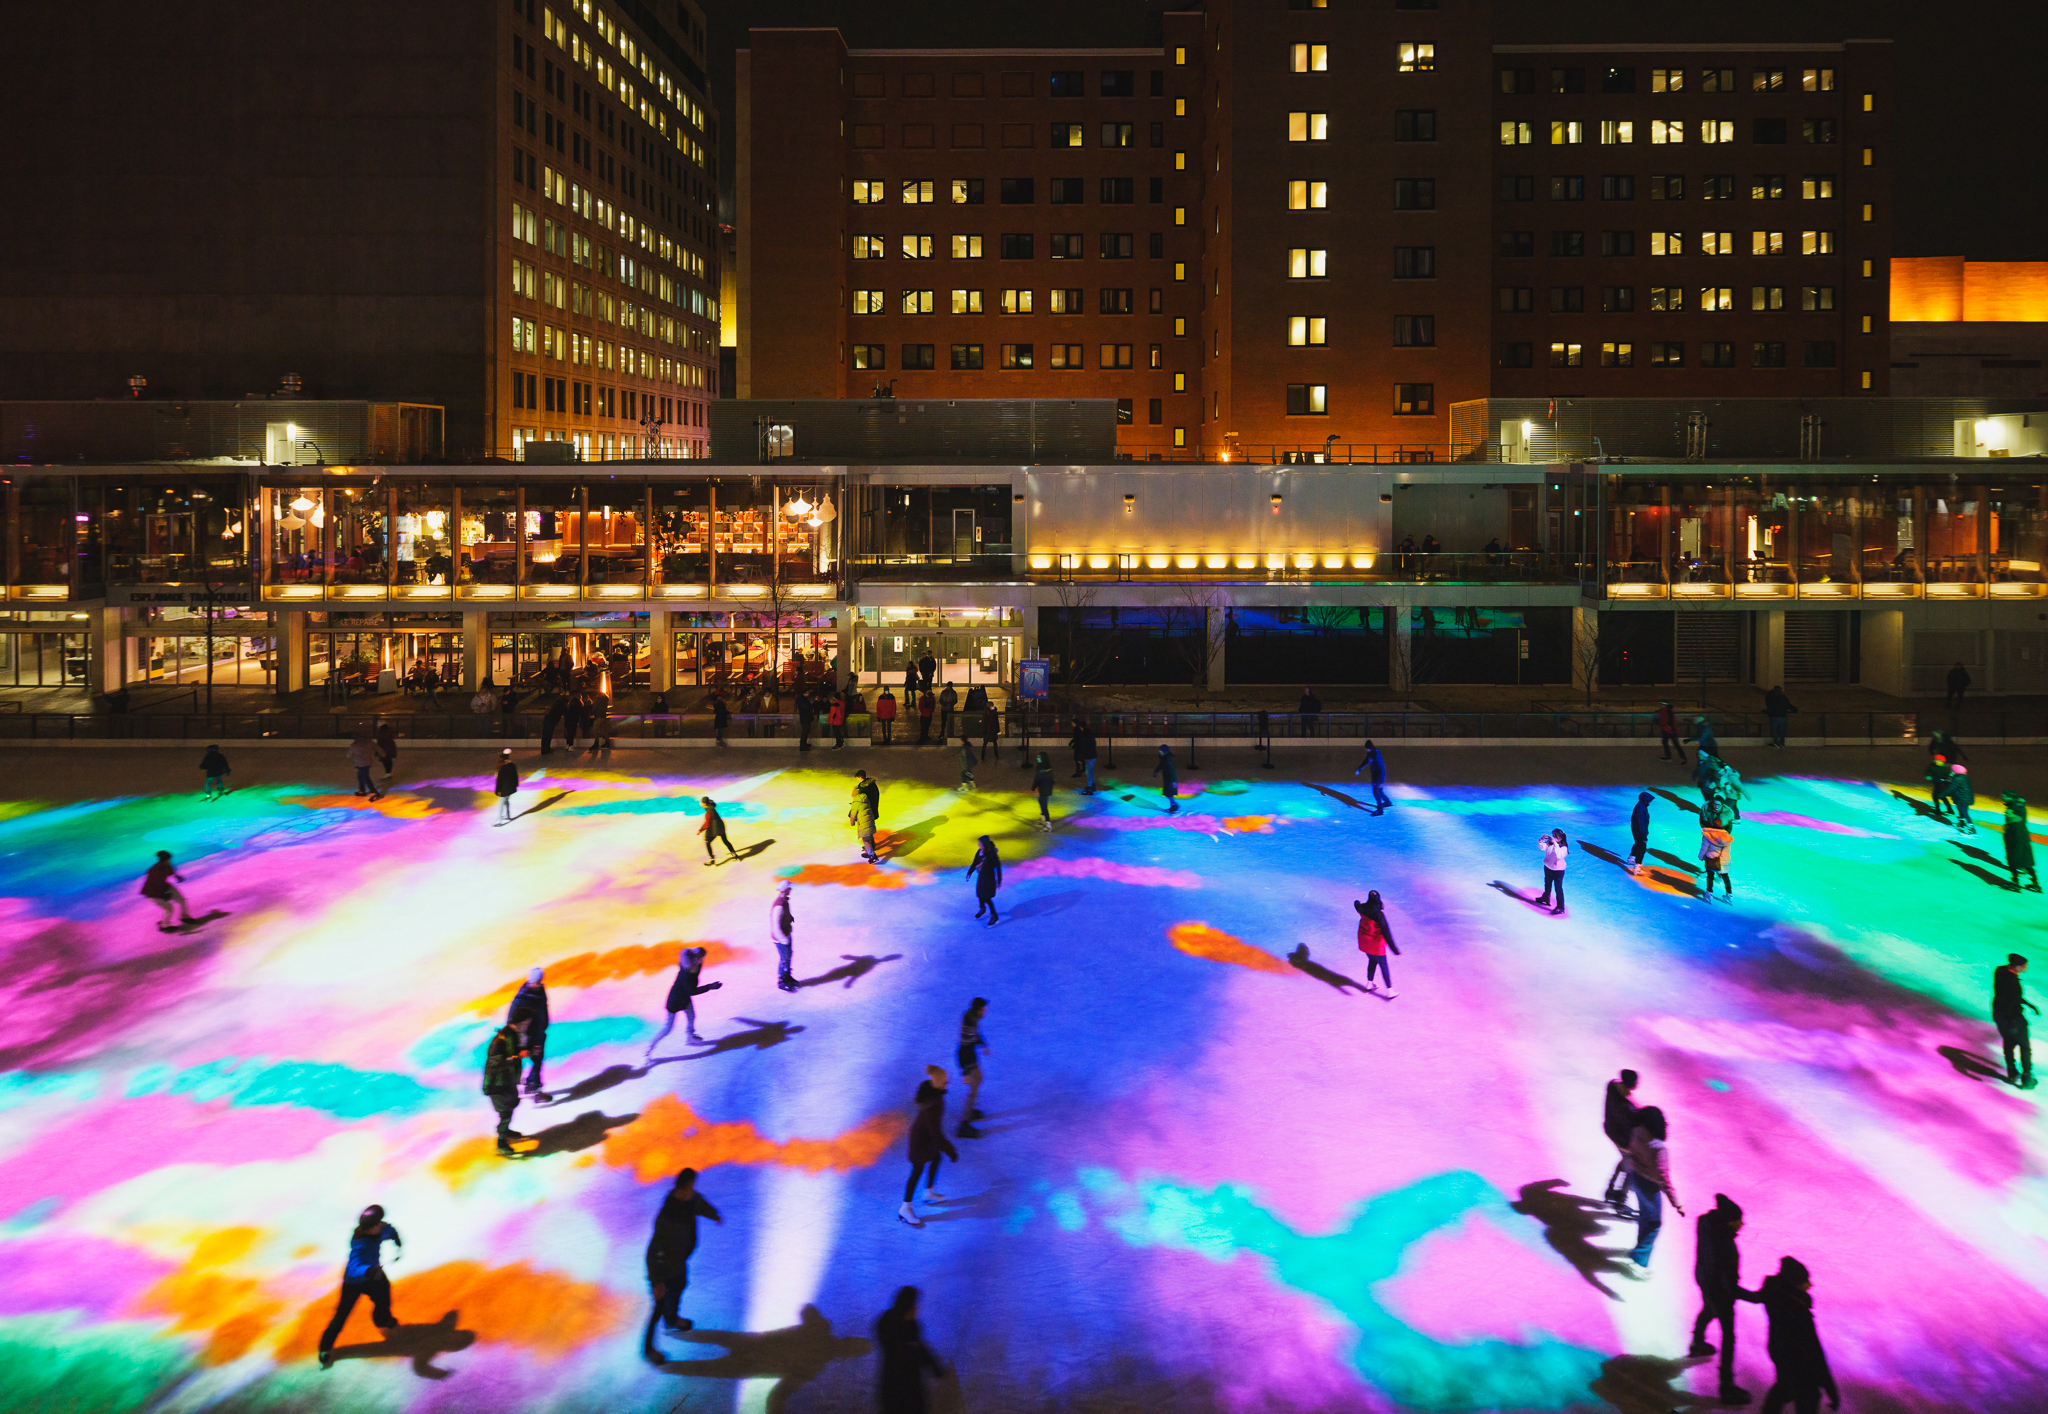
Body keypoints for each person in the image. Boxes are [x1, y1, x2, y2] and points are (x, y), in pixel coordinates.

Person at [641, 1168, 724, 1364]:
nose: (693, 1191)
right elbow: (652, 1250)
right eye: (691, 1187)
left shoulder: (690, 1199)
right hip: (663, 1266)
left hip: (679, 1261)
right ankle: (648, 1348)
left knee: (679, 1286)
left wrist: (714, 1215)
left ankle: (672, 1319)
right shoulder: (667, 1216)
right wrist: (656, 1281)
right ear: (683, 1188)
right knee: (659, 1306)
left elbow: (701, 1204)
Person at [1689, 1193, 1761, 1405]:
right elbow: (1729, 1285)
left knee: (1708, 1308)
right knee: (1729, 1336)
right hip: (1720, 1292)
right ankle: (1726, 1386)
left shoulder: (1706, 1225)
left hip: (1704, 1279)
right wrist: (1755, 1297)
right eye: (1739, 1220)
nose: (1742, 1224)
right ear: (1729, 1221)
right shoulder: (1726, 1247)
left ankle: (1696, 1342)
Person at [315, 1205, 403, 1368]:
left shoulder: (381, 1229)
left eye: (376, 1225)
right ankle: (325, 1347)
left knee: (384, 1295)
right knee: (342, 1315)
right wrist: (368, 1270)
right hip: (354, 1282)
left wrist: (397, 1241)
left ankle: (382, 1319)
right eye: (370, 1228)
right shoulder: (359, 1242)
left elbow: (389, 1230)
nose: (377, 1228)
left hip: (374, 1275)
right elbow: (355, 1267)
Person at [1757, 1257, 1839, 1414]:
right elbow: (1816, 1353)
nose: (1810, 1285)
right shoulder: (1799, 1312)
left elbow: (1756, 1297)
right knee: (1807, 1395)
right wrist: (1831, 1390)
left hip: (1777, 1350)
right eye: (1804, 1281)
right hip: (1798, 1361)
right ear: (1794, 1284)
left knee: (1785, 1385)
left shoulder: (1775, 1295)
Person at [1620, 1105, 1680, 1275]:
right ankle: (1638, 1261)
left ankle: (1638, 1254)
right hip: (1650, 1186)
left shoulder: (1637, 1131)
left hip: (1636, 1178)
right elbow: (1664, 1177)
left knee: (1645, 1218)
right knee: (1654, 1223)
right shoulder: (1659, 1147)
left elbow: (1630, 1151)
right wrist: (1677, 1202)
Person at [899, 1065, 958, 1226]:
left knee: (936, 1157)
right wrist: (950, 1150)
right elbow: (936, 1133)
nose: (947, 1084)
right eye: (945, 1082)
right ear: (938, 1083)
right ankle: (905, 1207)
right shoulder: (932, 1104)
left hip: (925, 1138)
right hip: (920, 1142)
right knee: (916, 1172)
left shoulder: (933, 1093)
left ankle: (929, 1192)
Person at [876, 1286, 948, 1414]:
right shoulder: (895, 1324)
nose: (917, 1309)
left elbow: (919, 1349)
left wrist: (936, 1368)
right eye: (915, 1304)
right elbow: (911, 1350)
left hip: (903, 1385)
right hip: (900, 1386)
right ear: (908, 1306)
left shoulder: (908, 1324)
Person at [646, 946, 724, 1054]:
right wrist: (710, 986)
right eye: (699, 958)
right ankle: (650, 1047)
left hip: (685, 998)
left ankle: (690, 1037)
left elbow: (697, 958)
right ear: (693, 960)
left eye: (702, 958)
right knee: (668, 1028)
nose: (701, 960)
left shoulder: (696, 964)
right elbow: (692, 991)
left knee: (692, 1016)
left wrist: (700, 954)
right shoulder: (686, 974)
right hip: (675, 1000)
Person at [1994, 953, 2038, 1089]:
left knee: (2009, 1042)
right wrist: (2012, 1023)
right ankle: (2026, 1078)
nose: (2026, 967)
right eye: (2024, 965)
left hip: (1999, 1013)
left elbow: (2010, 996)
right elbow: (2012, 999)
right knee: (2024, 1046)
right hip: (2012, 1017)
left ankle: (2012, 1073)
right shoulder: (2012, 982)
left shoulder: (2001, 970)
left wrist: (2030, 1005)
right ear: (2017, 966)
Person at [484, 1020, 526, 1157]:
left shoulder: (512, 1035)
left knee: (510, 1106)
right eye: (526, 1022)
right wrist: (516, 1058)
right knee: (506, 1111)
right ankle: (501, 1144)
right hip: (498, 1084)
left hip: (507, 1081)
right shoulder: (500, 1040)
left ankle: (505, 1131)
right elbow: (494, 1063)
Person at [508, 967, 550, 1098]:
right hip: (523, 1035)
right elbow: (511, 1020)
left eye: (536, 982)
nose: (533, 984)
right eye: (531, 981)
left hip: (537, 1033)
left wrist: (543, 1027)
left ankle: (533, 1087)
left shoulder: (541, 992)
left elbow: (543, 1011)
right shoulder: (521, 998)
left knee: (537, 1059)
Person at [1353, 891, 1400, 998]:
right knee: (1383, 965)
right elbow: (1386, 933)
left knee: (1372, 960)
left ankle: (1369, 983)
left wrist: (1357, 902)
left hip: (1365, 942)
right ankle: (1389, 990)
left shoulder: (1361, 908)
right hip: (1376, 944)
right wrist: (1395, 950)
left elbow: (1356, 904)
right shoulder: (1379, 914)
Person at [957, 997, 989, 1137]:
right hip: (967, 1060)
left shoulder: (972, 1020)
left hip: (970, 1057)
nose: (985, 1011)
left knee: (979, 1079)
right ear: (978, 1011)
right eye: (983, 1009)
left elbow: (975, 1036)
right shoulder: (969, 1025)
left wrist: (983, 1044)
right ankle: (964, 1125)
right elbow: (963, 1049)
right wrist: (965, 1072)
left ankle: (969, 1112)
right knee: (973, 1089)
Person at [140, 849, 193, 931]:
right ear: (164, 860)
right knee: (169, 908)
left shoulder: (167, 865)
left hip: (165, 887)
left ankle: (184, 916)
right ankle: (164, 926)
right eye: (168, 859)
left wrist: (177, 876)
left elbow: (171, 870)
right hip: (153, 894)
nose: (170, 861)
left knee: (181, 900)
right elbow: (153, 886)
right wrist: (162, 895)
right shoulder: (154, 871)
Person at [2004, 794, 2040, 892]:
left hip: (2015, 839)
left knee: (2013, 860)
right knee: (2026, 861)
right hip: (2023, 837)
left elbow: (2011, 824)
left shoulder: (2012, 808)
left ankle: (2015, 883)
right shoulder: (2020, 806)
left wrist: (2008, 834)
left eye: (2005, 797)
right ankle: (2035, 884)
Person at [1602, 1070, 1640, 1151]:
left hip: (1610, 1128)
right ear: (1631, 1082)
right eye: (1636, 1081)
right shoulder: (1625, 1106)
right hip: (1618, 1133)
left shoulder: (1613, 1086)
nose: (1637, 1083)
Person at [967, 834, 1001, 924]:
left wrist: (999, 880)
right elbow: (975, 862)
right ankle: (982, 908)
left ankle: (994, 915)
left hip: (989, 879)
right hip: (981, 877)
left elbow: (997, 866)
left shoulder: (991, 854)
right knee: (979, 894)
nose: (978, 845)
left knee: (986, 897)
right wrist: (969, 872)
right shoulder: (979, 852)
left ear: (984, 844)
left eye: (980, 843)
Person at [770, 880, 797, 992]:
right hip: (781, 939)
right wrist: (783, 939)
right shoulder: (779, 906)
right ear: (785, 890)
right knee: (784, 959)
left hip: (786, 934)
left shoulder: (785, 901)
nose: (791, 889)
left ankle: (787, 976)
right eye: (790, 888)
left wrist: (789, 917)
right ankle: (781, 981)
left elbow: (786, 912)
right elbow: (775, 926)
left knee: (788, 956)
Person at [698, 797, 741, 865]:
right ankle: (734, 854)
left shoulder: (708, 813)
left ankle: (712, 859)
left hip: (715, 829)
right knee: (725, 841)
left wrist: (700, 830)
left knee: (707, 842)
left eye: (701, 802)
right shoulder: (711, 806)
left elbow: (707, 824)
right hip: (721, 826)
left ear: (705, 804)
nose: (700, 803)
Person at [1700, 815, 1735, 898]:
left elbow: (1704, 847)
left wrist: (1701, 856)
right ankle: (1729, 894)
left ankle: (1709, 893)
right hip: (1725, 860)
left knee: (1710, 875)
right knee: (1725, 876)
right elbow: (1727, 850)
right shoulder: (1727, 836)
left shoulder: (1709, 835)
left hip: (1712, 858)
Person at [850, 773, 880, 863]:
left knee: (865, 839)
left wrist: (852, 822)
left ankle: (872, 854)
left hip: (863, 822)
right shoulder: (866, 799)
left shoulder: (857, 802)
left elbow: (853, 814)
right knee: (868, 834)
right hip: (869, 818)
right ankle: (868, 851)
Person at [1353, 741, 1390, 814]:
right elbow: (1366, 761)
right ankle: (1387, 802)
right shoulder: (1370, 753)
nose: (1366, 750)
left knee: (1376, 791)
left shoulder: (1376, 753)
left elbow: (1381, 767)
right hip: (1375, 775)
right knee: (1379, 790)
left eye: (1367, 748)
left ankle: (1380, 810)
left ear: (1369, 748)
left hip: (1379, 775)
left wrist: (1381, 780)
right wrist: (1359, 768)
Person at [1538, 830, 1569, 914]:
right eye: (1553, 835)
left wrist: (1555, 844)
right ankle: (1545, 898)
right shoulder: (1549, 843)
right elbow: (1541, 847)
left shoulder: (1564, 848)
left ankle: (1561, 907)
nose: (1553, 837)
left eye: (1556, 836)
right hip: (1548, 867)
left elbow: (1559, 856)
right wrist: (1542, 839)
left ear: (1561, 838)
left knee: (1558, 888)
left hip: (1558, 871)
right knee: (1547, 884)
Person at [347, 735, 383, 801]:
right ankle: (362, 790)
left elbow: (348, 755)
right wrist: (383, 754)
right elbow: (378, 748)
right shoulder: (369, 742)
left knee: (365, 777)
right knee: (360, 775)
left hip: (360, 764)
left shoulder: (354, 746)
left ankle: (374, 792)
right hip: (368, 762)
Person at [1948, 761, 1978, 835]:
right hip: (1960, 798)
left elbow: (1952, 788)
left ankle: (1971, 827)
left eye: (1952, 770)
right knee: (1961, 811)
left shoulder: (1958, 779)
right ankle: (1961, 822)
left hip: (1963, 799)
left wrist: (1942, 794)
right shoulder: (1961, 778)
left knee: (1964, 813)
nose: (1951, 772)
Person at [1628, 791, 1654, 875]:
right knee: (1642, 847)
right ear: (1645, 800)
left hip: (1637, 829)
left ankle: (1631, 858)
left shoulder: (1641, 806)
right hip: (1639, 830)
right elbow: (1640, 822)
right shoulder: (1640, 808)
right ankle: (1637, 867)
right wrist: (1643, 834)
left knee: (1638, 843)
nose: (1650, 802)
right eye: (1649, 800)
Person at [1925, 752, 1955, 822]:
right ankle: (1949, 809)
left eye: (1938, 760)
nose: (1936, 761)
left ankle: (1938, 810)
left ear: (1942, 762)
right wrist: (1927, 775)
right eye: (1935, 760)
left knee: (1936, 796)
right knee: (1941, 796)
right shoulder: (1932, 765)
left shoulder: (1945, 768)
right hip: (1936, 783)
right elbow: (1927, 771)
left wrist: (1944, 780)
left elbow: (1948, 777)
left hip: (1942, 784)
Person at [1071, 718, 1098, 793]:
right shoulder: (1089, 733)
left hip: (1089, 755)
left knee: (1089, 771)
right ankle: (1092, 784)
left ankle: (1090, 787)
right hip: (1092, 754)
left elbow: (1083, 747)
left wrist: (1080, 758)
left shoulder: (1084, 735)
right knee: (1090, 770)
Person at [1763, 685, 1795, 749]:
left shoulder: (1773, 697)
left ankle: (1776, 743)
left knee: (1774, 730)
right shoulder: (1784, 698)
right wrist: (1796, 709)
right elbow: (1789, 706)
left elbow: (1770, 707)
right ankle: (1782, 743)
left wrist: (1767, 712)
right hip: (1783, 716)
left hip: (1774, 716)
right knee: (1782, 730)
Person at [493, 748, 519, 825]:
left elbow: (499, 782)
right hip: (511, 788)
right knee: (506, 800)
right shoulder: (512, 766)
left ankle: (499, 820)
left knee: (501, 803)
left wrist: (498, 791)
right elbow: (515, 777)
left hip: (504, 789)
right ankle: (507, 815)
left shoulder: (501, 769)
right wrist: (516, 785)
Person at [1152, 744, 1180, 815]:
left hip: (1170, 779)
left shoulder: (1168, 759)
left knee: (1169, 793)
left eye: (1160, 750)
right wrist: (1156, 771)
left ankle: (1174, 806)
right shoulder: (1164, 758)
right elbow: (1161, 765)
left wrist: (1174, 781)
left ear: (1164, 751)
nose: (1159, 751)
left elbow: (1172, 770)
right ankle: (1174, 805)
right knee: (1168, 793)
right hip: (1167, 778)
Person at [1032, 751, 1055, 830]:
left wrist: (1033, 787)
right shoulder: (1047, 767)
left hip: (1044, 789)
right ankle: (1043, 817)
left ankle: (1048, 824)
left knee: (1044, 805)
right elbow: (1051, 779)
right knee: (1041, 801)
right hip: (1046, 789)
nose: (1037, 758)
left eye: (1039, 757)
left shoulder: (1041, 768)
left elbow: (1037, 779)